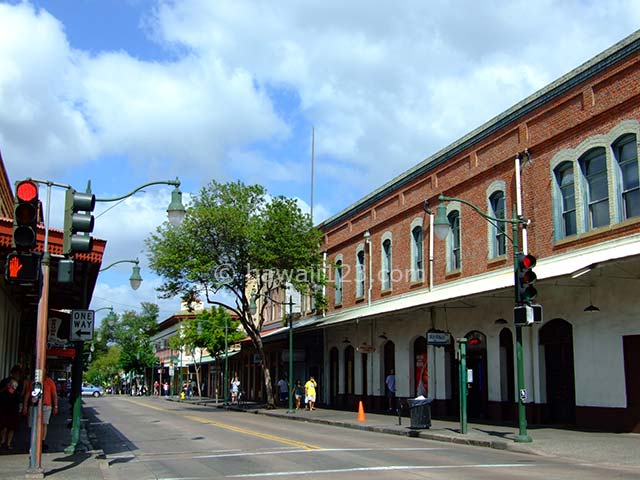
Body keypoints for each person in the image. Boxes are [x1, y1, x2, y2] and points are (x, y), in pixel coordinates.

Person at [22, 366, 58, 451]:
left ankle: (42, 441)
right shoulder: (34, 382)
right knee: (33, 424)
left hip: (46, 405)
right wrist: (25, 406)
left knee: (44, 423)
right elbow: (28, 394)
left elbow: (54, 395)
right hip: (34, 405)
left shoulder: (50, 382)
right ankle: (34, 442)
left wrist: (55, 406)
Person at [0, 365, 23, 450]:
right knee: (4, 425)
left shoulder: (20, 383)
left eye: (18, 374)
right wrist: (6, 388)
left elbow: (21, 394)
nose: (17, 376)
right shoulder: (5, 381)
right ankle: (2, 441)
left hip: (14, 406)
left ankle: (8, 443)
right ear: (12, 373)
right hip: (5, 405)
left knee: (12, 426)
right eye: (16, 374)